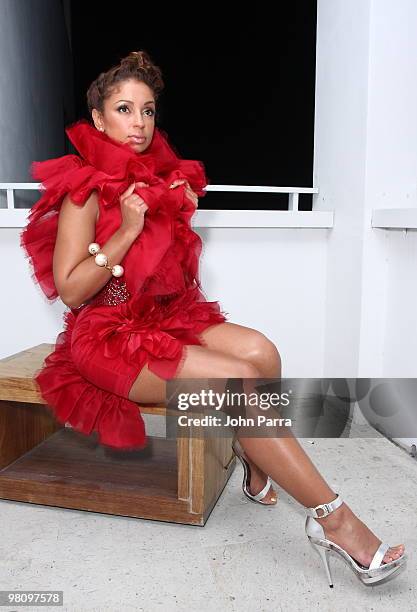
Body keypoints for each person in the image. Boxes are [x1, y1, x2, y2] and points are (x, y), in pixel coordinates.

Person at [21, 50, 406, 587]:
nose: (138, 123)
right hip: (108, 335)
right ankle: (335, 522)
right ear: (98, 119)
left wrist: (169, 208)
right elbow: (68, 290)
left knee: (263, 352)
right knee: (237, 386)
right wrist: (127, 230)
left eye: (148, 111)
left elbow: (165, 271)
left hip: (161, 317)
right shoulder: (83, 189)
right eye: (125, 109)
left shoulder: (158, 177)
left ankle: (255, 464)